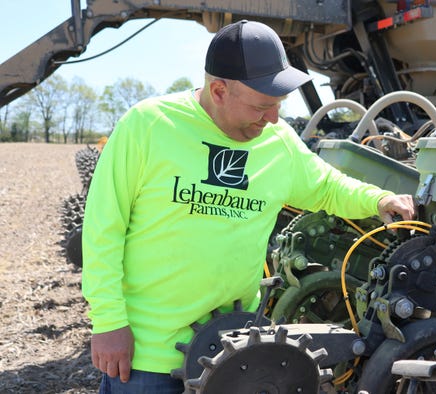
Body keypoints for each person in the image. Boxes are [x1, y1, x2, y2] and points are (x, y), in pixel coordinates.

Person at [81, 19, 415, 393]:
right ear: (219, 90)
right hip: (148, 360)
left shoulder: (277, 139)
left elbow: (325, 187)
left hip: (235, 353)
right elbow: (102, 229)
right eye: (262, 105)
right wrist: (108, 322)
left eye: (278, 105)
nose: (273, 118)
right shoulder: (148, 126)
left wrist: (379, 198)